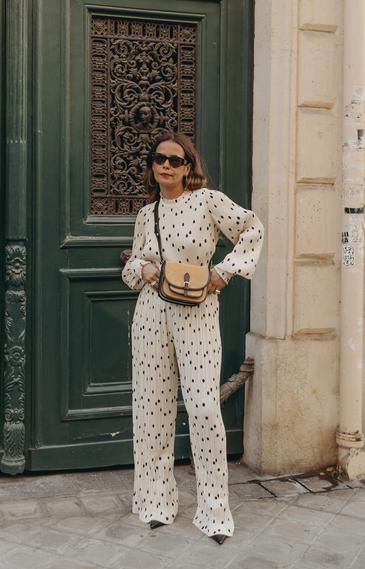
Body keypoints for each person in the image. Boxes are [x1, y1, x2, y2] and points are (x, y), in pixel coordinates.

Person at [122, 132, 264, 545]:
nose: (165, 165)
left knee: (203, 408)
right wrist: (143, 271)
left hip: (198, 314)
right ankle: (154, 502)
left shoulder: (208, 201)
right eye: (158, 159)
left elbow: (252, 229)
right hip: (151, 314)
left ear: (188, 167)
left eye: (174, 159)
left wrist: (224, 272)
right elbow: (132, 267)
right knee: (151, 409)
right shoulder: (145, 214)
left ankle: (214, 511)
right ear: (152, 166)